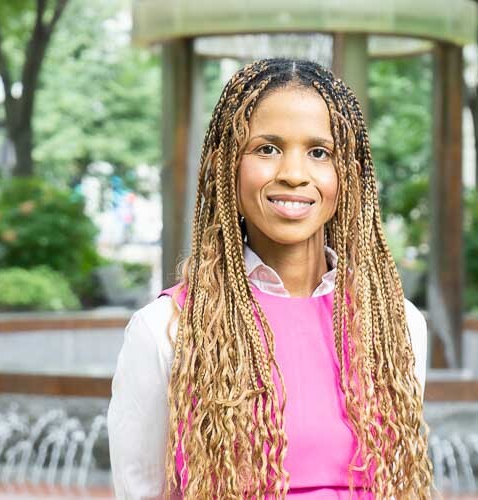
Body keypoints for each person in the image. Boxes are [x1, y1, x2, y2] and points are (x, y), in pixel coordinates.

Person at [108, 58, 432, 499]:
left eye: (319, 152)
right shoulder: (165, 330)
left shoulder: (397, 326)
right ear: (227, 166)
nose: (294, 174)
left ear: (348, 173)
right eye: (267, 149)